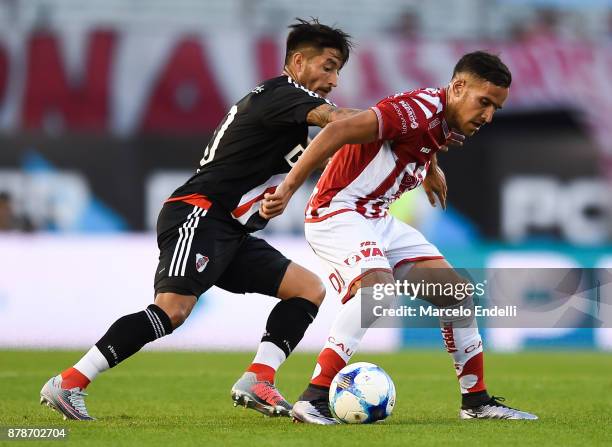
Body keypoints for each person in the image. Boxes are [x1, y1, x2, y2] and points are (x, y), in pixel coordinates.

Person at [40, 18, 362, 421]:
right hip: (199, 212)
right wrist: (394, 122)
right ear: (298, 62)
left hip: (230, 229)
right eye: (328, 66)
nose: (333, 79)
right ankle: (70, 381)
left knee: (308, 289)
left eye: (338, 71)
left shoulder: (290, 111)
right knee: (171, 310)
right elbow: (342, 122)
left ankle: (258, 378)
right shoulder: (282, 93)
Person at [260, 51, 538, 423]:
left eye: (495, 109)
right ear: (457, 88)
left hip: (377, 218)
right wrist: (289, 188)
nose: (487, 116)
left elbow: (414, 139)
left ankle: (476, 402)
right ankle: (314, 398)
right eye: (483, 102)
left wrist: (428, 167)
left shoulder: (442, 117)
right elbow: (337, 129)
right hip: (337, 210)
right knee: (377, 292)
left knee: (457, 295)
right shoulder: (416, 109)